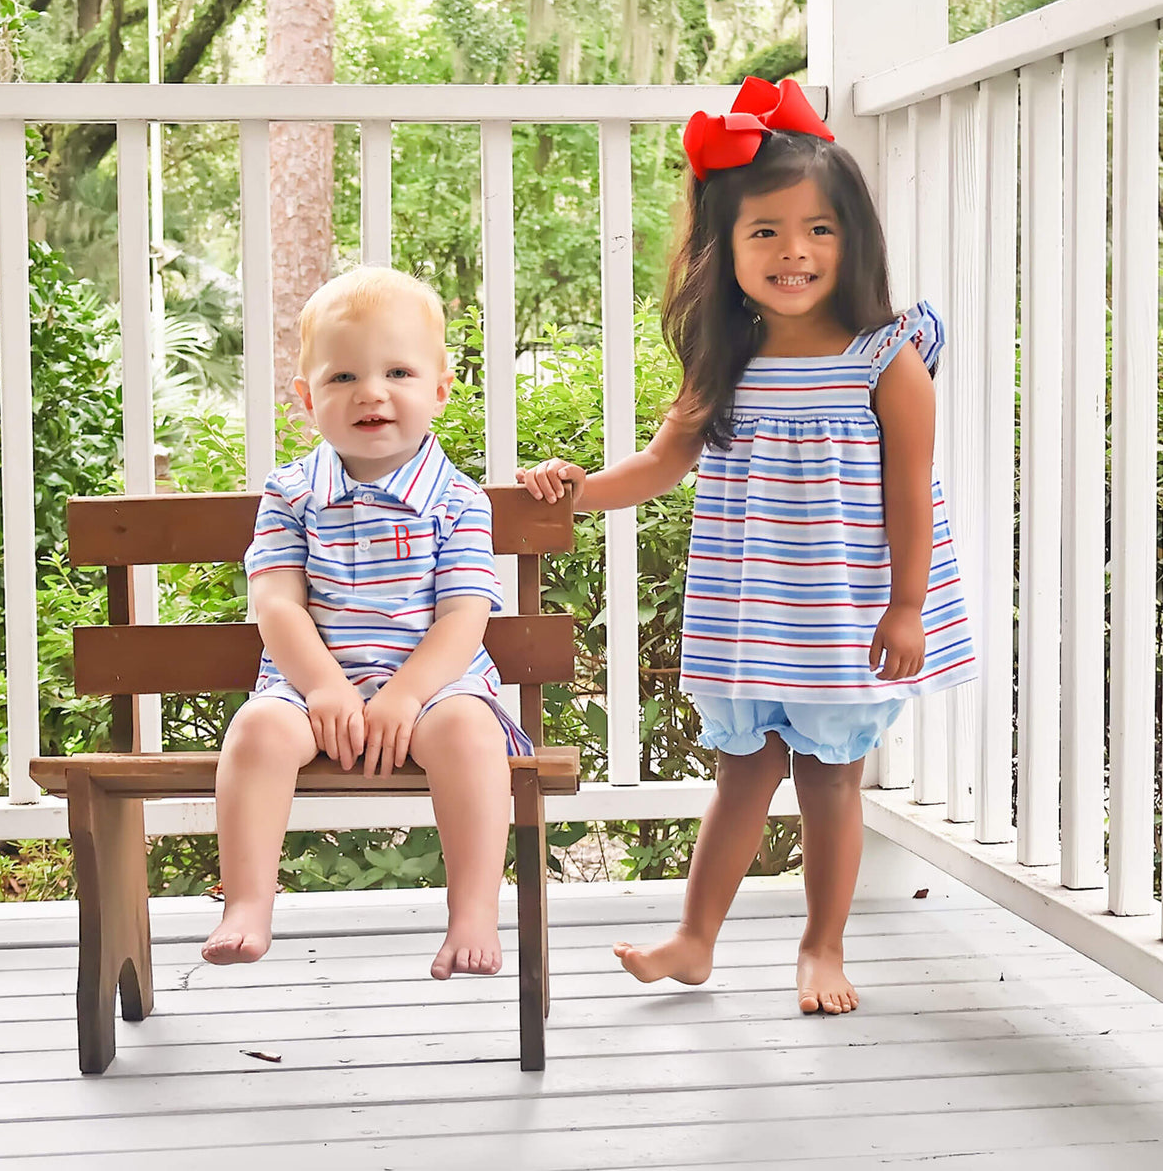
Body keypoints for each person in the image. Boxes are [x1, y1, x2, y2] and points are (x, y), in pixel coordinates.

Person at [517, 78, 977, 1015]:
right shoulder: (727, 361)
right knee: (740, 774)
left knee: (831, 779)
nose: (794, 252)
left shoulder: (888, 358)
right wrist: (574, 490)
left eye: (818, 229)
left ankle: (822, 948)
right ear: (725, 249)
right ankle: (695, 939)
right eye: (764, 232)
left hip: (846, 608)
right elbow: (656, 466)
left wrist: (907, 606)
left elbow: (910, 493)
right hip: (751, 606)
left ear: (854, 242)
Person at [202, 266, 530, 980]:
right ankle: (249, 903)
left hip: (435, 690)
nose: (371, 392)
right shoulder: (290, 494)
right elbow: (278, 603)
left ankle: (473, 911)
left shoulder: (458, 501)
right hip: (314, 689)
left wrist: (408, 694)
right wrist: (323, 687)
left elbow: (464, 616)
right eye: (343, 375)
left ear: (440, 390)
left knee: (473, 735)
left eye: (399, 372)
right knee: (256, 730)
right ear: (307, 397)